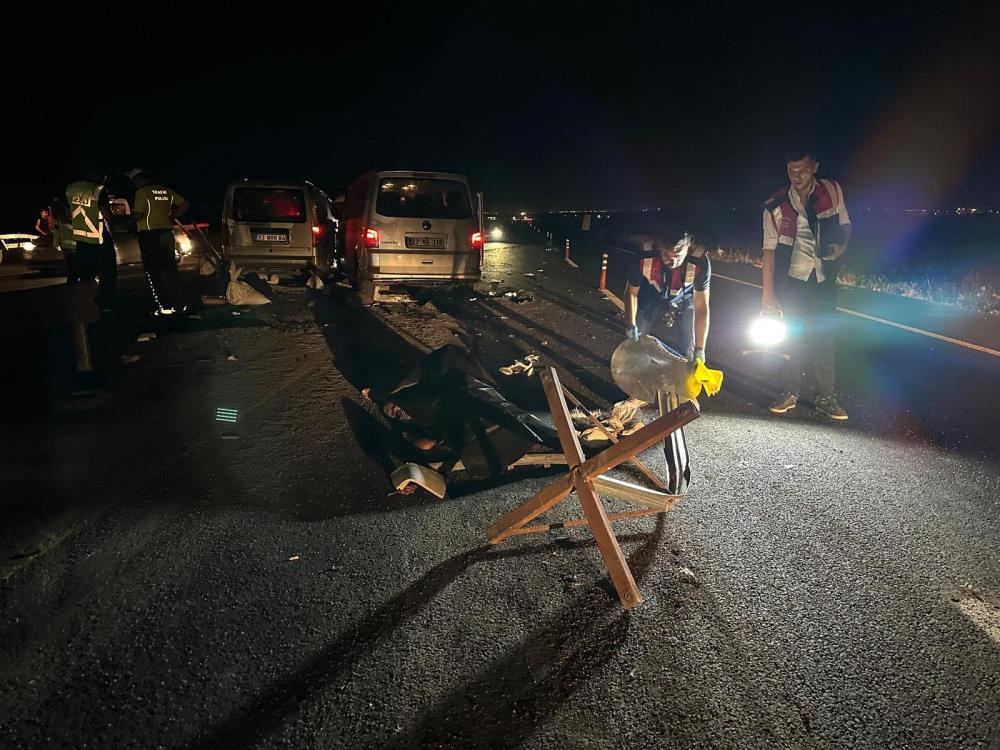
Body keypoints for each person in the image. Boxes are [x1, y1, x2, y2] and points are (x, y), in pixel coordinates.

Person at [761, 147, 852, 420]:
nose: (796, 175)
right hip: (792, 281)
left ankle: (827, 397)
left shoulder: (832, 190)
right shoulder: (774, 206)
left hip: (823, 279)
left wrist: (841, 248)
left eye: (802, 169)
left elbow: (846, 224)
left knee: (825, 337)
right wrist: (768, 295)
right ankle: (790, 391)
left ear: (815, 167)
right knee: (791, 336)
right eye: (791, 169)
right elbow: (768, 250)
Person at [624, 233, 711, 495]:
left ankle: (683, 393)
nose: (671, 261)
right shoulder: (643, 258)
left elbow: (702, 307)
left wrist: (700, 349)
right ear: (659, 249)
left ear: (686, 250)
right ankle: (634, 389)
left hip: (684, 297)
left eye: (677, 257)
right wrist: (631, 325)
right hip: (651, 292)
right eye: (666, 256)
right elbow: (632, 293)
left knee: (688, 346)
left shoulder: (700, 263)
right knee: (637, 340)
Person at [128, 167, 190, 315]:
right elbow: (185, 203)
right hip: (166, 232)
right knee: (171, 268)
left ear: (139, 179)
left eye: (133, 181)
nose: (133, 184)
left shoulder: (142, 192)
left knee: (153, 270)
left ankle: (164, 305)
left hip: (149, 235)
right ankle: (179, 303)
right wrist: (172, 217)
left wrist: (127, 219)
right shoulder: (165, 190)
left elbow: (137, 215)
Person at [65, 173, 117, 310]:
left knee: (86, 274)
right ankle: (105, 305)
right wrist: (114, 227)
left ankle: (86, 304)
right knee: (107, 273)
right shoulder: (99, 190)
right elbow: (106, 214)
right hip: (98, 238)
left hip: (81, 239)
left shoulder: (71, 188)